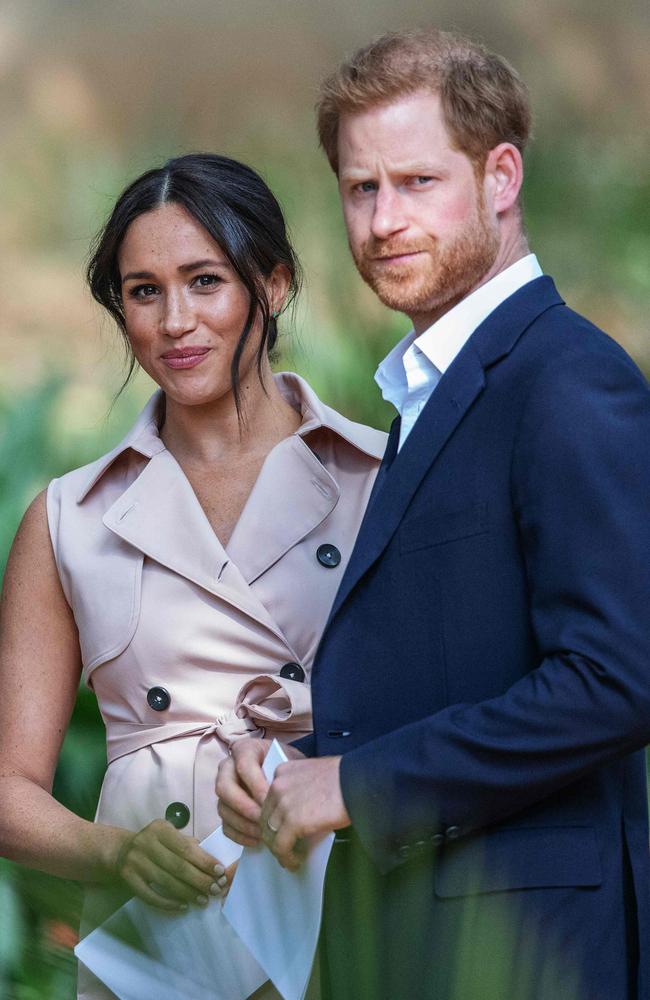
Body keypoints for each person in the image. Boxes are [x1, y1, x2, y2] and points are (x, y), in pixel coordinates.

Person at [216, 29, 650, 1000]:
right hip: (421, 942)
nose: (381, 221)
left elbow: (617, 678)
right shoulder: (430, 392)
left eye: (416, 182)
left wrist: (356, 786)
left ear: (500, 177)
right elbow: (452, 664)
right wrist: (296, 766)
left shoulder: (566, 381)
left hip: (532, 949)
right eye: (360, 189)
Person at [0, 152, 386, 999]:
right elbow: (7, 788)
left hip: (342, 894)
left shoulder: (379, 479)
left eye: (205, 281)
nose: (176, 320)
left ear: (273, 286)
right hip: (157, 933)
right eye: (144, 291)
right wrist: (115, 852)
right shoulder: (71, 517)